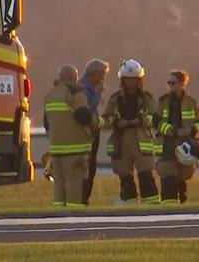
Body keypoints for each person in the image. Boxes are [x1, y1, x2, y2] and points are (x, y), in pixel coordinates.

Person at [102, 59, 159, 204]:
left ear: (139, 79)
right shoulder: (115, 99)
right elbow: (106, 118)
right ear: (123, 80)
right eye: (127, 79)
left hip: (142, 140)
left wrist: (141, 121)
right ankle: (129, 203)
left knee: (146, 175)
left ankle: (151, 204)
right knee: (125, 176)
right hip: (121, 141)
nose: (130, 82)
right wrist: (116, 122)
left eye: (133, 79)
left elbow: (156, 118)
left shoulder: (148, 98)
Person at [43, 65, 96, 207]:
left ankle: (59, 216)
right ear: (74, 77)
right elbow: (84, 116)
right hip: (75, 150)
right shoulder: (75, 93)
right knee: (74, 184)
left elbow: (46, 123)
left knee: (59, 185)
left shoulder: (50, 95)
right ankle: (75, 217)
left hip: (56, 150)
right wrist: (97, 122)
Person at [153, 70, 199, 204]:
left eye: (173, 82)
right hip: (166, 145)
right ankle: (168, 208)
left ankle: (181, 206)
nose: (170, 85)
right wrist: (174, 131)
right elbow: (156, 122)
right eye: (168, 82)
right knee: (168, 176)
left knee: (182, 178)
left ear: (182, 84)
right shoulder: (162, 101)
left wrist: (192, 131)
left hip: (185, 146)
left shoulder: (191, 102)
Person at [79, 58, 110, 203]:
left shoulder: (90, 87)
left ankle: (86, 198)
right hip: (85, 133)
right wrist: (97, 94)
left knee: (92, 167)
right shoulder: (83, 88)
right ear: (94, 73)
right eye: (102, 74)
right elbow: (88, 109)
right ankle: (82, 198)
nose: (103, 78)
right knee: (86, 167)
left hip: (94, 131)